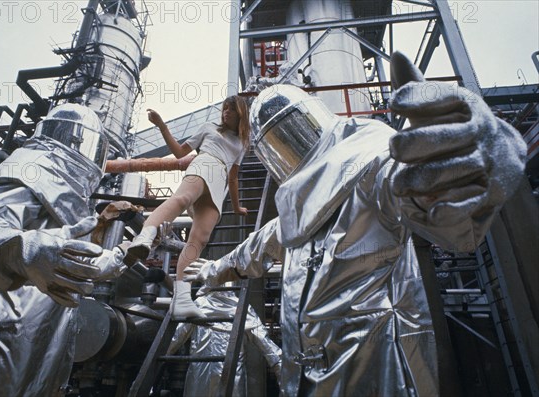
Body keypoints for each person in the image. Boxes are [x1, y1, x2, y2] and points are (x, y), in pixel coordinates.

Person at [183, 52, 528, 395]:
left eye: (289, 133)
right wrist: (215, 269)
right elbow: (258, 246)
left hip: (381, 369)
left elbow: (418, 190)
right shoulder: (297, 205)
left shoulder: (371, 162)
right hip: (309, 377)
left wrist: (468, 161)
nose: (287, 146)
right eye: (276, 144)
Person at [0, 103, 128, 396]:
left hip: (30, 343)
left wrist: (114, 258)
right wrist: (18, 253)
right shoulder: (29, 169)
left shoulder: (62, 191)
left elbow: (65, 255)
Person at [125, 95, 250, 319]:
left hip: (219, 180)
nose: (226, 113)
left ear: (241, 113)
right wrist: (162, 126)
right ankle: (145, 237)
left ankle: (181, 299)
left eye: (231, 109)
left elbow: (234, 177)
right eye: (224, 109)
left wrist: (237, 207)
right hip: (205, 163)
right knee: (181, 199)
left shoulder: (242, 142)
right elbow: (180, 153)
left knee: (199, 239)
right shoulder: (209, 128)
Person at [167, 288, 282, 396]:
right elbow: (266, 345)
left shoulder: (198, 305)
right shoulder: (242, 307)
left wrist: (157, 360)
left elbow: (175, 339)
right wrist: (282, 371)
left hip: (200, 378)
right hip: (232, 379)